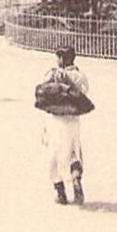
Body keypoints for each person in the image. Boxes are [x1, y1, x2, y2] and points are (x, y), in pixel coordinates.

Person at [38, 47, 89, 206]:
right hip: (73, 120)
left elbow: (42, 93)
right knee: (73, 152)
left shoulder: (52, 74)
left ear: (61, 58)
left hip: (55, 120)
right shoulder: (80, 76)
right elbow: (84, 94)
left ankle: (60, 193)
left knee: (53, 156)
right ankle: (75, 178)